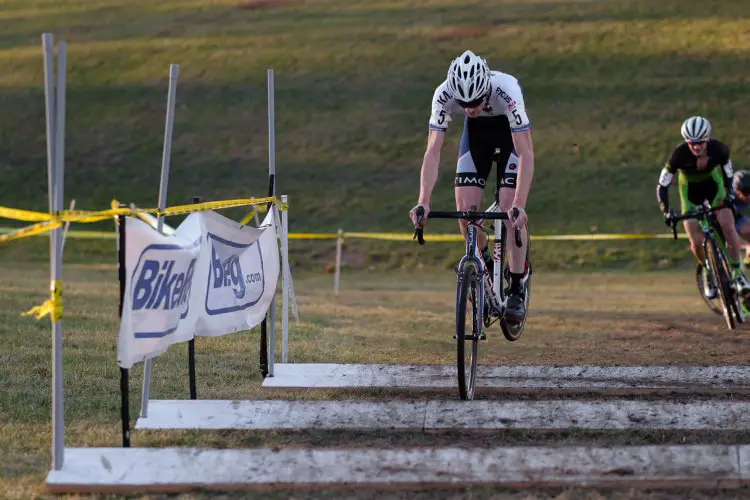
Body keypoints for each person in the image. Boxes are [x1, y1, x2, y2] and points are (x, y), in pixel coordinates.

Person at [408, 49, 534, 321]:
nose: (470, 109)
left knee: (509, 212)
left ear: (486, 88)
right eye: (464, 104)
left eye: (476, 101)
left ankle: (516, 287)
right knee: (466, 213)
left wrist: (519, 205)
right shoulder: (443, 94)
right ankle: (484, 263)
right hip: (475, 140)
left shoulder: (507, 89)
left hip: (509, 138)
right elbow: (432, 152)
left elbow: (526, 153)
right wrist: (423, 201)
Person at [657, 116, 750, 299]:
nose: (696, 147)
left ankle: (738, 274)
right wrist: (666, 211)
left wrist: (730, 195)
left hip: (714, 188)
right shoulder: (678, 155)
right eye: (692, 143)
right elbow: (663, 185)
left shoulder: (720, 149)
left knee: (728, 225)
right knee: (695, 239)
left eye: (700, 142)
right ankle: (709, 271)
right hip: (690, 194)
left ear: (707, 139)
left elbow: (728, 175)